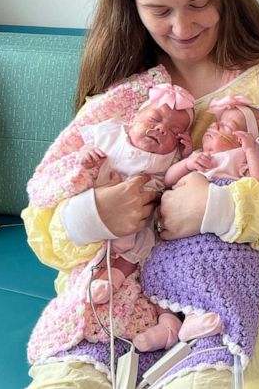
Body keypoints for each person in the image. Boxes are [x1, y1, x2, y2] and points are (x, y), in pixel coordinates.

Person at [23, 0, 259, 389]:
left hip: (244, 304)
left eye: (198, 4)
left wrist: (222, 209)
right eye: (160, 11)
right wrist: (95, 212)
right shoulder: (123, 93)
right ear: (132, 8)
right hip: (116, 306)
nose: (183, 27)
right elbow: (44, 222)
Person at [75, 83, 195, 306]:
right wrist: (86, 154)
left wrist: (186, 155)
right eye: (155, 119)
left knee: (145, 242)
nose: (161, 129)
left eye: (173, 132)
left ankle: (113, 279)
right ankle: (88, 276)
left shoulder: (170, 157)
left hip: (139, 218)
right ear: (133, 118)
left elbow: (175, 181)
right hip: (99, 205)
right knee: (91, 251)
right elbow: (80, 150)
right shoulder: (111, 133)